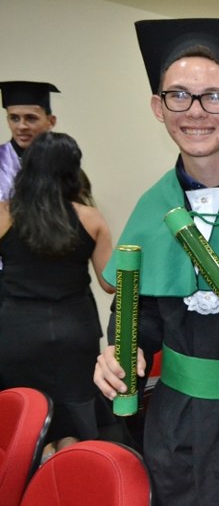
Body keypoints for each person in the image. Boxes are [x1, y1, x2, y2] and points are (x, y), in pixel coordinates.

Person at [92, 19, 219, 506]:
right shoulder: (152, 207)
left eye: (214, 96)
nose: (196, 111)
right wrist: (122, 351)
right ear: (158, 108)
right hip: (175, 424)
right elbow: (139, 313)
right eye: (178, 95)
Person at [0, 131, 115, 456]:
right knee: (74, 421)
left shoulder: (4, 214)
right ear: (72, 170)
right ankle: (71, 471)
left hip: (17, 332)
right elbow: (109, 283)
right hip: (74, 330)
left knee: (25, 421)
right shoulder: (90, 218)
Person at [0, 81, 59, 202]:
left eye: (31, 118)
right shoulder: (2, 160)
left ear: (51, 122)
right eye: (14, 118)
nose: (22, 126)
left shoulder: (62, 161)